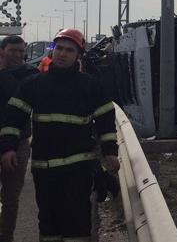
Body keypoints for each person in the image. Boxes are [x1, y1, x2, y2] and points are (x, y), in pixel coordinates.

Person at [0, 29, 119, 242]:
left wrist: (110, 152)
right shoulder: (34, 84)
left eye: (69, 50)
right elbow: (13, 119)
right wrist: (8, 147)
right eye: (59, 48)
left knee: (77, 225)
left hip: (77, 170)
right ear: (52, 51)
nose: (62, 54)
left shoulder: (90, 86)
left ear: (78, 55)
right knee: (48, 225)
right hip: (44, 170)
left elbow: (105, 121)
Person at [0, 36, 38, 242]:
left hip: (18, 143)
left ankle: (6, 237)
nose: (18, 55)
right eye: (13, 50)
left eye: (21, 51)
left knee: (11, 197)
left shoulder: (29, 74)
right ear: (2, 51)